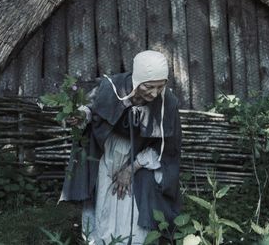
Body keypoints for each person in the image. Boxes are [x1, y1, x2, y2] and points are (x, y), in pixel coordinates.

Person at [59, 50, 182, 244]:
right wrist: (80, 116)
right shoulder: (111, 87)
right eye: (149, 87)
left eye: (160, 86)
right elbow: (91, 109)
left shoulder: (168, 103)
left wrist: (131, 168)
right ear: (137, 79)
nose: (154, 93)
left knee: (131, 209)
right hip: (106, 153)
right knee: (103, 202)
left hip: (141, 159)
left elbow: (167, 149)